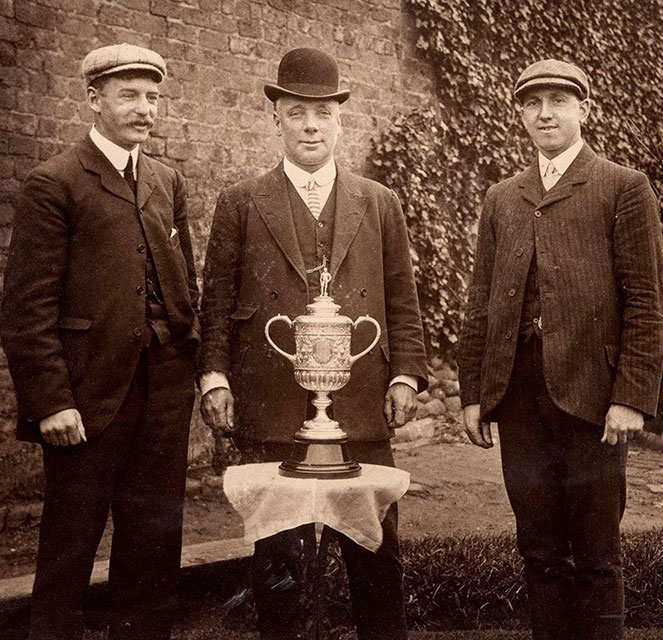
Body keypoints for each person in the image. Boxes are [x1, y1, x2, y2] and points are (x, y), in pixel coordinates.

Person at [198, 47, 428, 639]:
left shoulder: (379, 203)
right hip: (271, 407)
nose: (310, 126)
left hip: (360, 410)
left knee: (377, 561)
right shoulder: (241, 202)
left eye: (322, 114)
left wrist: (405, 375)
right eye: (297, 112)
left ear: (339, 120)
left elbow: (402, 300)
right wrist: (215, 377)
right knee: (278, 569)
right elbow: (216, 302)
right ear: (277, 116)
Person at [457, 59, 663, 640]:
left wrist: (630, 398)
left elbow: (648, 303)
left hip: (593, 402)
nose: (545, 114)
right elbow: (481, 303)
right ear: (521, 114)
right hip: (520, 398)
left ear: (583, 109)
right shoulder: (503, 197)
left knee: (598, 556)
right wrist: (473, 393)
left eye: (558, 101)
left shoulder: (622, 187)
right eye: (532, 104)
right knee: (539, 551)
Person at [0, 43, 200, 640]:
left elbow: (185, 284)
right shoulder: (55, 182)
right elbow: (26, 306)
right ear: (94, 99)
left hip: (163, 391)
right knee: (70, 545)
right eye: (130, 96)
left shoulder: (166, 181)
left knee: (154, 543)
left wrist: (192, 362)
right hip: (86, 398)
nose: (145, 109)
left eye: (153, 97)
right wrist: (51, 401)